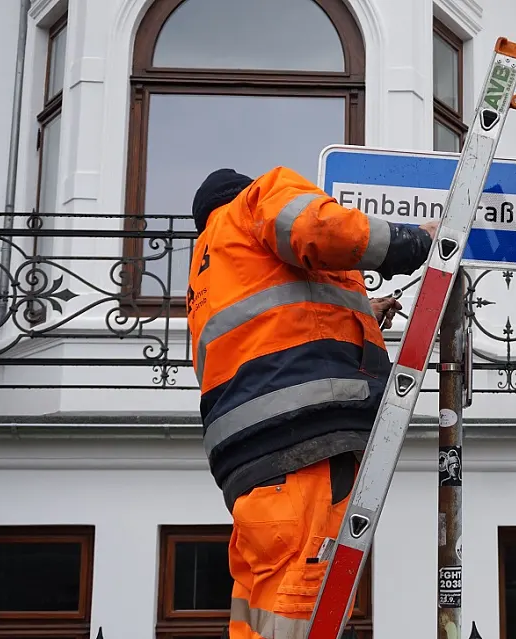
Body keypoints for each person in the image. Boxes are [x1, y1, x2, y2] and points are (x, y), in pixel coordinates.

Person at [186, 166, 439, 639]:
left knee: (260, 607)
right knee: (301, 598)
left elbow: (271, 331)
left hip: (248, 463)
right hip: (303, 437)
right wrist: (417, 241)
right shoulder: (255, 200)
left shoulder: (207, 271)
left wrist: (362, 313)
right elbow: (319, 228)